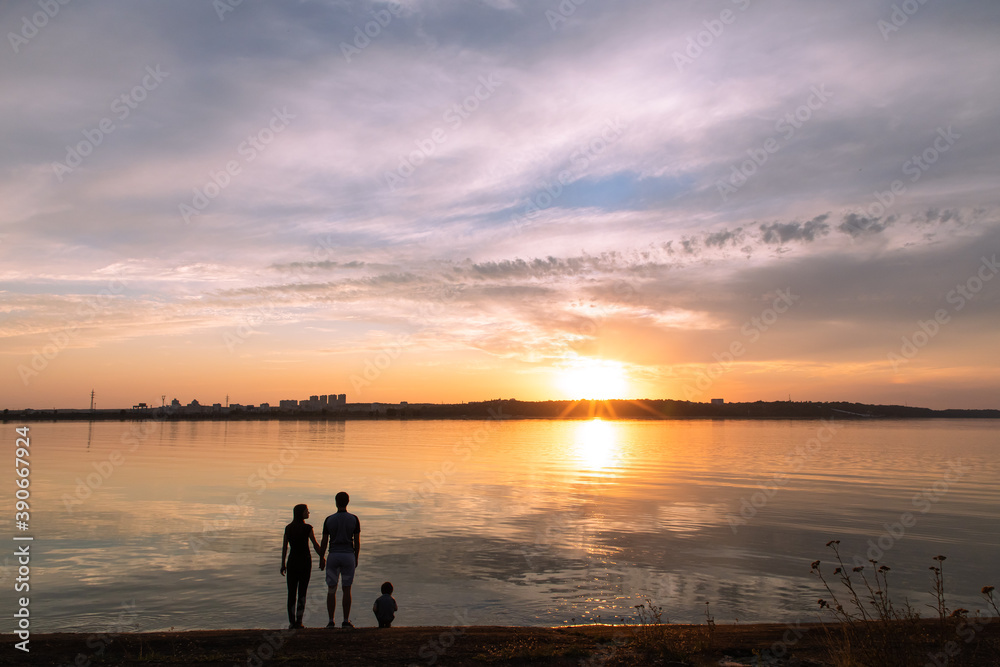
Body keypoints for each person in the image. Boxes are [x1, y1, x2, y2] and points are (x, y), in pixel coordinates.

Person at [318, 491, 361, 628]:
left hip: (333, 555)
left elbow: (324, 541)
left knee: (331, 589)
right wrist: (356, 557)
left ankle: (331, 621)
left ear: (336, 502)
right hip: (348, 555)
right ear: (348, 502)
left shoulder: (329, 519)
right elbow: (357, 542)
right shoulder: (354, 519)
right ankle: (345, 620)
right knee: (347, 589)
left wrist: (321, 557)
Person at [280, 504, 322, 629]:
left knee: (291, 592)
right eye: (306, 511)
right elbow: (315, 544)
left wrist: (283, 563)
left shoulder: (288, 528)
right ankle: (299, 621)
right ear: (301, 513)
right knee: (302, 592)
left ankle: (291, 622)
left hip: (292, 561)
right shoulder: (307, 528)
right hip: (305, 561)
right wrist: (322, 556)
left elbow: (285, 547)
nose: (308, 513)